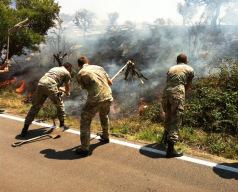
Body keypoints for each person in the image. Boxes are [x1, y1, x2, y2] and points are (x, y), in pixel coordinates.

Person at [19, 62, 72, 137]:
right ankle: (62, 125)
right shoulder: (67, 73)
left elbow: (51, 83)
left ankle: (24, 129)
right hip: (51, 85)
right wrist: (67, 92)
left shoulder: (54, 68)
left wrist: (60, 89)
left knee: (35, 106)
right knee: (59, 105)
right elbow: (67, 87)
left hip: (41, 83)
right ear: (69, 68)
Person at [76, 56, 113, 156]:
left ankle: (84, 148)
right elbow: (110, 82)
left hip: (95, 99)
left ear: (79, 65)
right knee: (104, 115)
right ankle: (105, 137)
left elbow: (84, 87)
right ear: (88, 62)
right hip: (108, 96)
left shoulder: (80, 74)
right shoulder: (99, 67)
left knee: (85, 120)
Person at [162, 53, 194, 158]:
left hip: (166, 93)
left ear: (177, 61)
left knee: (168, 116)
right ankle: (170, 150)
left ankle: (165, 139)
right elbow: (188, 85)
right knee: (176, 119)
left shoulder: (171, 68)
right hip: (178, 93)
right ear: (186, 61)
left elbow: (168, 81)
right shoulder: (189, 69)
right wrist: (183, 95)